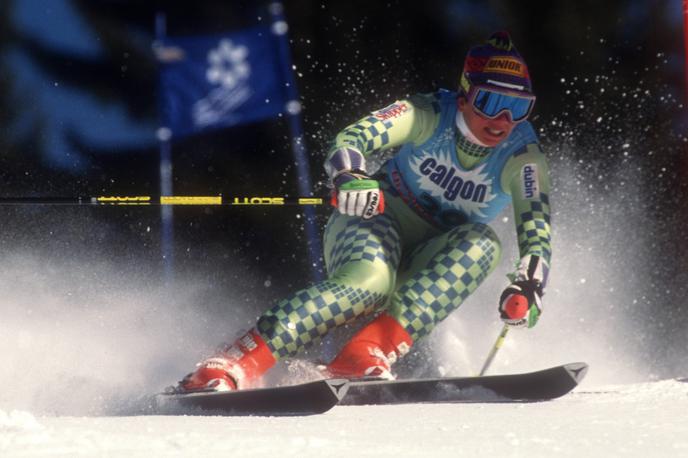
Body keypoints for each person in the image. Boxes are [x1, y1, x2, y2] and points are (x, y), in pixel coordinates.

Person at [177, 31, 551, 392]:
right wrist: (350, 175)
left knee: (483, 244)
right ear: (465, 95)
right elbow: (352, 137)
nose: (502, 119)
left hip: (432, 257)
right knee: (370, 283)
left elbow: (535, 222)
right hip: (376, 218)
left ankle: (362, 353)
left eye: (519, 108)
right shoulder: (429, 112)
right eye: (489, 102)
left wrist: (530, 283)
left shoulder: (522, 154)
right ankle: (232, 361)